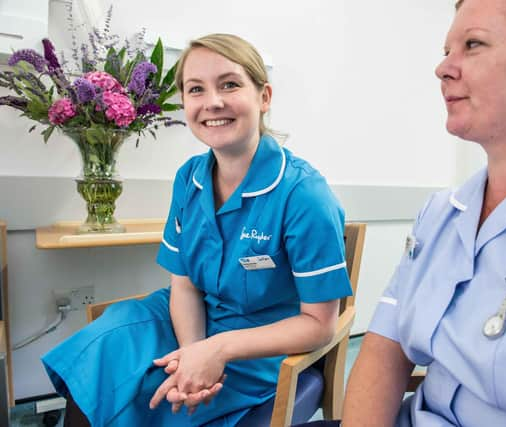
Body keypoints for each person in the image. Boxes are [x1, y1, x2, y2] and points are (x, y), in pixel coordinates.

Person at [300, 0, 506, 426]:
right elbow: (384, 351)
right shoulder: (442, 212)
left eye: (473, 44)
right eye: (447, 50)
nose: (443, 68)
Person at [42, 33, 353, 427]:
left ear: (264, 97)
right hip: (187, 318)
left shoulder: (304, 195)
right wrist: (194, 351)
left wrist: (218, 350)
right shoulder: (189, 179)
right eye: (195, 89)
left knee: (147, 394)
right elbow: (185, 284)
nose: (213, 102)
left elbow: (319, 323)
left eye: (230, 84)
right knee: (96, 353)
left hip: (258, 341)